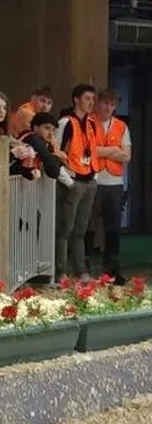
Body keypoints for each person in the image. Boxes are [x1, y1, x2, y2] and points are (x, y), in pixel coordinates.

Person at [54, 84, 102, 282]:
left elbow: (93, 150)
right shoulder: (65, 122)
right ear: (76, 100)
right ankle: (61, 271)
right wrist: (66, 179)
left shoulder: (91, 123)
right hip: (72, 181)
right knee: (66, 228)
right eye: (86, 98)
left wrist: (95, 177)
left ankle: (81, 269)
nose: (90, 102)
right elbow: (55, 151)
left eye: (92, 99)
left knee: (81, 229)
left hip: (89, 179)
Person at [86, 88, 131, 284]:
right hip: (92, 179)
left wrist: (102, 151)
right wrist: (113, 150)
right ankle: (84, 266)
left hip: (114, 182)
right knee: (87, 225)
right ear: (97, 103)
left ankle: (112, 269)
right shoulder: (88, 122)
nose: (108, 108)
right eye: (105, 103)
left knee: (113, 227)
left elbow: (126, 155)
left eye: (112, 105)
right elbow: (87, 150)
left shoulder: (121, 126)